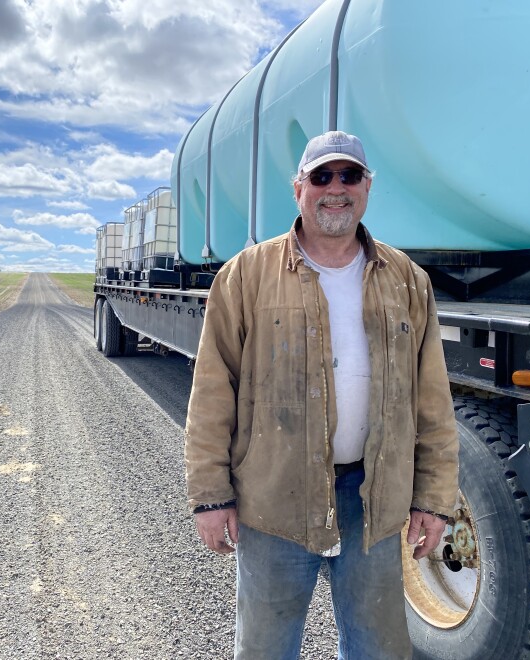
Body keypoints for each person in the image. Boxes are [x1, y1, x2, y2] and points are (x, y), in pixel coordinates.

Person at [184, 130, 459, 659]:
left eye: (349, 176)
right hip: (274, 501)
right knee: (265, 648)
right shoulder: (245, 275)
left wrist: (433, 498)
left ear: (367, 188)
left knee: (377, 647)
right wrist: (211, 495)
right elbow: (213, 390)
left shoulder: (406, 280)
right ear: (299, 189)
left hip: (371, 504)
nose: (336, 189)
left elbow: (431, 401)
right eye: (322, 176)